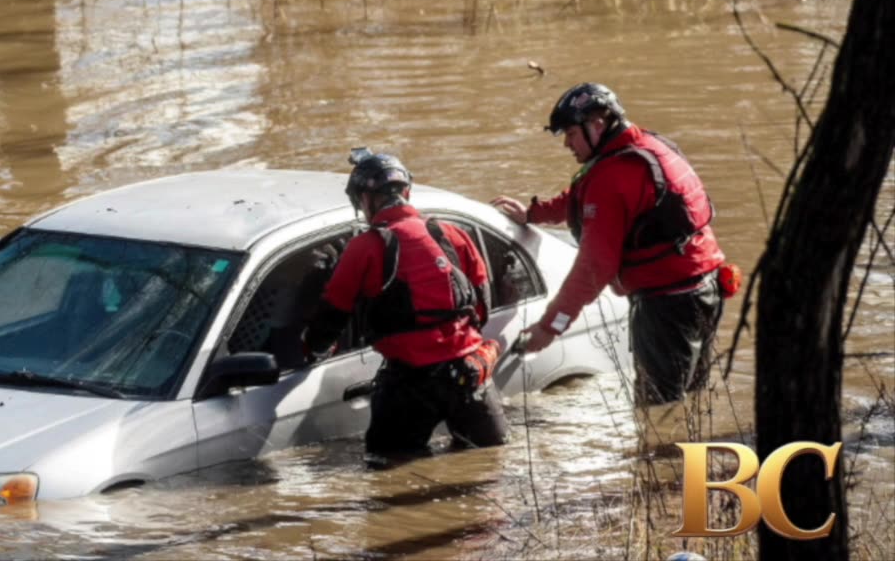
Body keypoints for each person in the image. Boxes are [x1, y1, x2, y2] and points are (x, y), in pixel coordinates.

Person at [491, 83, 729, 405]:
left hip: (665, 303)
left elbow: (594, 268)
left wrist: (550, 327)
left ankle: (663, 456)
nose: (566, 144)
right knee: (694, 400)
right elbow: (585, 196)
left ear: (597, 126)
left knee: (657, 407)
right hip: (707, 287)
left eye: (571, 133)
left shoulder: (613, 175)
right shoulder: (648, 145)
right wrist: (535, 213)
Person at [303, 148, 509, 460]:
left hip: (409, 384)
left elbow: (332, 313)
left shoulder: (365, 248)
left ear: (364, 200)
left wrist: (311, 349)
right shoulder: (452, 234)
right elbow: (482, 306)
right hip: (468, 374)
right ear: (407, 192)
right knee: (490, 468)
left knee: (388, 476)